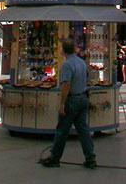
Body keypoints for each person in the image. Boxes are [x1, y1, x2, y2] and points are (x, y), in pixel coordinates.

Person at [39, 38, 96, 169]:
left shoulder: (66, 65)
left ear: (63, 50)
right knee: (83, 130)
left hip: (72, 100)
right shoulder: (81, 62)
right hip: (82, 97)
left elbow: (66, 84)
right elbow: (87, 78)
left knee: (62, 130)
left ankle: (54, 158)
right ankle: (90, 157)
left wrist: (62, 103)